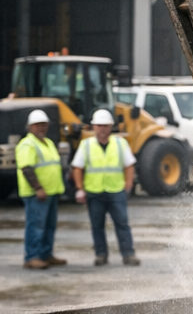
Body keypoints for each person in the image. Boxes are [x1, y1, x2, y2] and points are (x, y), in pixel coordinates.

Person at [72, 109, 141, 267]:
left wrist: (128, 184)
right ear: (94, 127)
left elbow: (129, 164)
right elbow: (77, 168)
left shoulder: (120, 143)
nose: (102, 128)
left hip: (116, 191)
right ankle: (101, 254)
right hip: (94, 192)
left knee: (122, 223)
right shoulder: (86, 145)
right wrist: (80, 188)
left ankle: (128, 254)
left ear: (110, 127)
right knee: (97, 226)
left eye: (105, 125)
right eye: (99, 125)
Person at [15, 109, 67, 269]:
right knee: (36, 225)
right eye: (38, 125)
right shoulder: (27, 144)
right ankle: (32, 257)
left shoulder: (48, 143)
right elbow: (26, 168)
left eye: (44, 125)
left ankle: (46, 254)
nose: (41, 128)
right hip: (36, 193)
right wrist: (38, 188)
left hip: (51, 192)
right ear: (30, 127)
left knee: (49, 225)